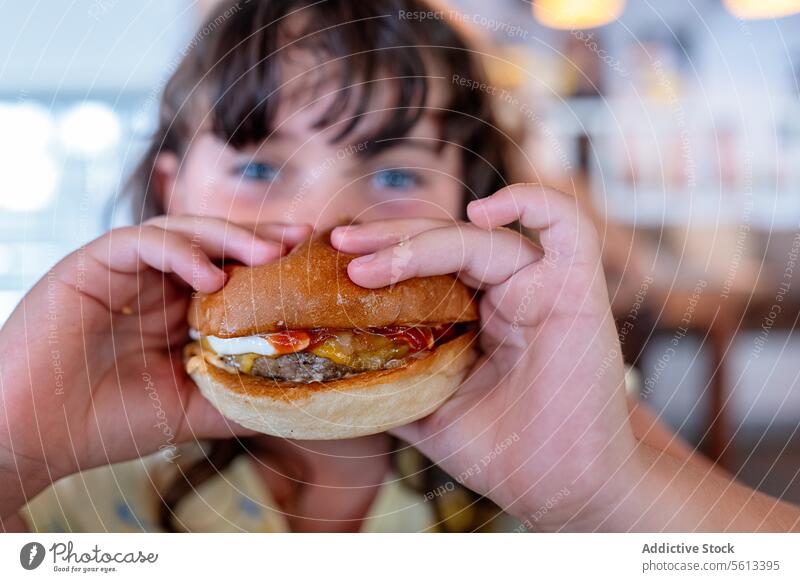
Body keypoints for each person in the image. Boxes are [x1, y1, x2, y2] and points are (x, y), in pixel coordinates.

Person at [1, 0, 797, 533]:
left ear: (468, 203)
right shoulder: (77, 442)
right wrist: (16, 451)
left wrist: (611, 495)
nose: (323, 225)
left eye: (394, 176)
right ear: (170, 192)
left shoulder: (561, 401)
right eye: (255, 169)